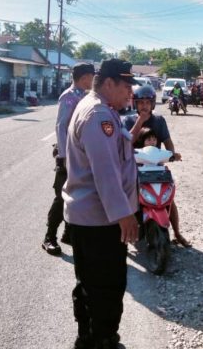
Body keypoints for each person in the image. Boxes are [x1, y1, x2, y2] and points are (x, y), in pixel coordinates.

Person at [62, 59, 139, 349]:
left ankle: (89, 338)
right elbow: (105, 173)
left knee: (92, 284)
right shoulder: (98, 116)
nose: (130, 91)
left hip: (93, 219)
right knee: (106, 286)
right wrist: (125, 215)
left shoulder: (103, 110)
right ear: (109, 83)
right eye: (126, 85)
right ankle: (102, 340)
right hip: (99, 221)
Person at [124, 84, 190, 247]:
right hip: (135, 168)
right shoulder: (129, 120)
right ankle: (127, 231)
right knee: (128, 198)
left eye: (147, 102)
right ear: (135, 103)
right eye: (141, 102)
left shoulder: (159, 120)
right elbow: (127, 143)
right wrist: (140, 121)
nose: (144, 105)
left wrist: (171, 155)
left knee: (168, 200)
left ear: (153, 104)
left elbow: (167, 142)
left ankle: (177, 233)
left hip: (156, 167)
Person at [41, 62, 93, 256]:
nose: (93, 80)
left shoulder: (85, 96)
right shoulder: (69, 97)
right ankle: (49, 237)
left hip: (81, 156)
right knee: (61, 197)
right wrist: (64, 156)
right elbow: (61, 127)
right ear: (84, 77)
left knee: (78, 196)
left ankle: (68, 233)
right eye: (91, 76)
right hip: (67, 157)